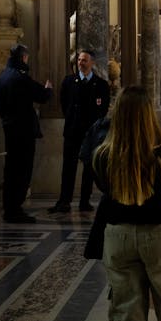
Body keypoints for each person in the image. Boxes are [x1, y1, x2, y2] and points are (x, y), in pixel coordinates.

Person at [90, 86, 161, 321]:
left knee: (126, 314)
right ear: (149, 115)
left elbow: (103, 185)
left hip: (118, 235)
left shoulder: (103, 154)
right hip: (160, 234)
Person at [0, 43, 53, 223]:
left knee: (10, 168)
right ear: (23, 58)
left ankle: (9, 206)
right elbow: (42, 96)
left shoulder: (1, 78)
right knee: (22, 169)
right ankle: (15, 209)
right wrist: (48, 88)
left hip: (9, 127)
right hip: (24, 131)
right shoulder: (21, 78)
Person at [49, 49, 111, 213]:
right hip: (72, 131)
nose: (80, 63)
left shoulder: (102, 85)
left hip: (90, 134)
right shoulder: (69, 82)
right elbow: (64, 103)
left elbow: (103, 109)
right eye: (79, 60)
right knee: (68, 167)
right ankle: (64, 200)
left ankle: (85, 201)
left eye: (84, 60)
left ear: (92, 63)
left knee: (89, 169)